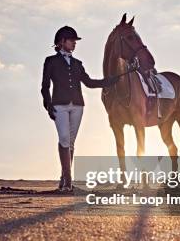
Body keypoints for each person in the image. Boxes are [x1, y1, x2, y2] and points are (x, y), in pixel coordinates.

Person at [41, 26, 132, 192]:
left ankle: (64, 179)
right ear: (62, 42)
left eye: (75, 41)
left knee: (71, 142)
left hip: (77, 105)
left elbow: (89, 83)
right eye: (72, 40)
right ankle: (68, 181)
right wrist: (48, 105)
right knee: (64, 139)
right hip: (59, 105)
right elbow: (45, 86)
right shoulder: (50, 61)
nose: (75, 43)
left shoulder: (78, 64)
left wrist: (112, 80)